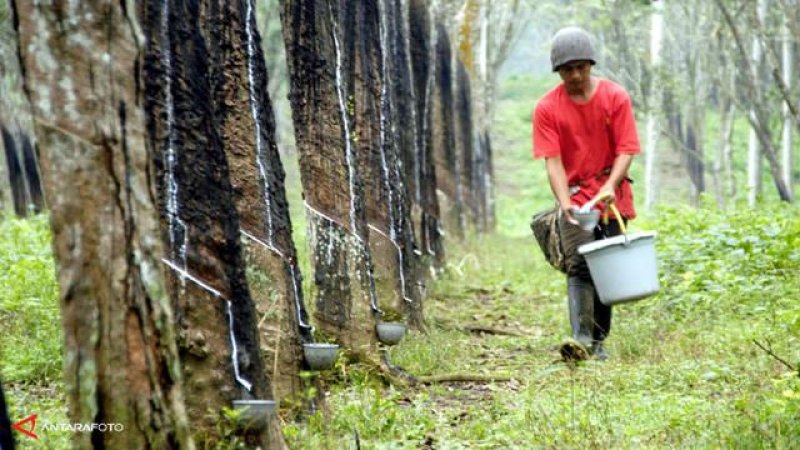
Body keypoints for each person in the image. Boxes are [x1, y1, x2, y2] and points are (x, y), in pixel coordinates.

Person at [532, 26, 641, 360]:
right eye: (568, 69)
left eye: (581, 66)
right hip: (577, 195)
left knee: (606, 266)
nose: (576, 75)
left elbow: (627, 148)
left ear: (590, 64)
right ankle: (580, 336)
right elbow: (553, 162)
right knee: (580, 264)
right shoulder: (547, 108)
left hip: (611, 192)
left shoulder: (615, 97)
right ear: (559, 71)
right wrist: (565, 203)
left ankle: (599, 341)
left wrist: (610, 186)